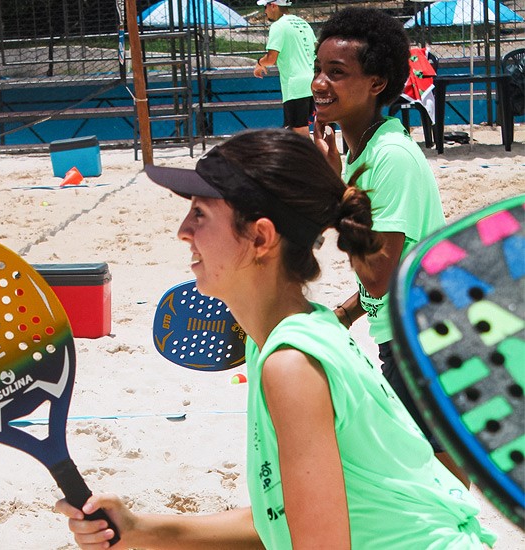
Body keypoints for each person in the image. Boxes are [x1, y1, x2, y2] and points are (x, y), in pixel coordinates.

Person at [55, 129, 495, 549]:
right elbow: (282, 520)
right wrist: (137, 529)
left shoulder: (292, 366)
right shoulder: (283, 338)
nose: (183, 230)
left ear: (261, 237)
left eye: (201, 213)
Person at [311, 7, 470, 487]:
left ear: (376, 83)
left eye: (337, 73)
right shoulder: (367, 154)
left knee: (430, 480)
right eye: (318, 69)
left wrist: (334, 194)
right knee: (431, 471)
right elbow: (397, 267)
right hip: (411, 333)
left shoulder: (391, 158)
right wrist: (346, 313)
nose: (320, 83)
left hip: (424, 339)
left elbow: (378, 270)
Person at [253, 0, 315, 137]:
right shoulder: (303, 23)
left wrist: (259, 63)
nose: (265, 11)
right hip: (313, 81)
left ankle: (310, 157)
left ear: (273, 5)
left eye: (265, 7)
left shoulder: (278, 26)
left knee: (299, 131)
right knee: (294, 130)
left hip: (295, 85)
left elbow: (271, 58)